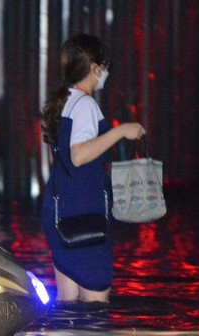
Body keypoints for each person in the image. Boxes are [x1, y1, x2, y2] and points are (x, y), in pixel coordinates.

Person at [41, 34, 146, 303]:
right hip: (83, 214)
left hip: (60, 211)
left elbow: (64, 157)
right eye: (104, 65)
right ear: (94, 68)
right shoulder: (85, 104)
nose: (105, 72)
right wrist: (122, 130)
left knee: (67, 301)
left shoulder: (64, 101)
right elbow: (78, 155)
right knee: (96, 303)